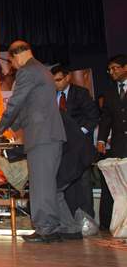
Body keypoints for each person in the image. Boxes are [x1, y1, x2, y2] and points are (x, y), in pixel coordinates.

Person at [0, 40, 79, 243]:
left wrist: (0, 127)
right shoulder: (41, 70)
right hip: (50, 135)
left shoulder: (27, 71)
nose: (13, 66)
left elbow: (16, 102)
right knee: (52, 185)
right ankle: (67, 227)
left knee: (40, 184)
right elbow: (29, 106)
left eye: (11, 61)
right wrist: (14, 128)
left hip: (42, 136)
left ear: (16, 55)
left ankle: (46, 229)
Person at [50, 65, 99, 218]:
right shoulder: (51, 96)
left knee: (83, 183)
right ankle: (69, 221)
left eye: (58, 80)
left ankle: (87, 221)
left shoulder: (81, 93)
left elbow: (93, 117)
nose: (55, 84)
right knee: (64, 184)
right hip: (60, 147)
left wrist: (78, 134)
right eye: (53, 81)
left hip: (79, 146)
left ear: (68, 77)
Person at [97, 54, 127, 230]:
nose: (112, 72)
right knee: (115, 184)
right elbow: (106, 118)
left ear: (125, 68)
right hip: (118, 145)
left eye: (115, 68)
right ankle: (110, 224)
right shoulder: (109, 92)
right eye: (110, 69)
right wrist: (101, 139)